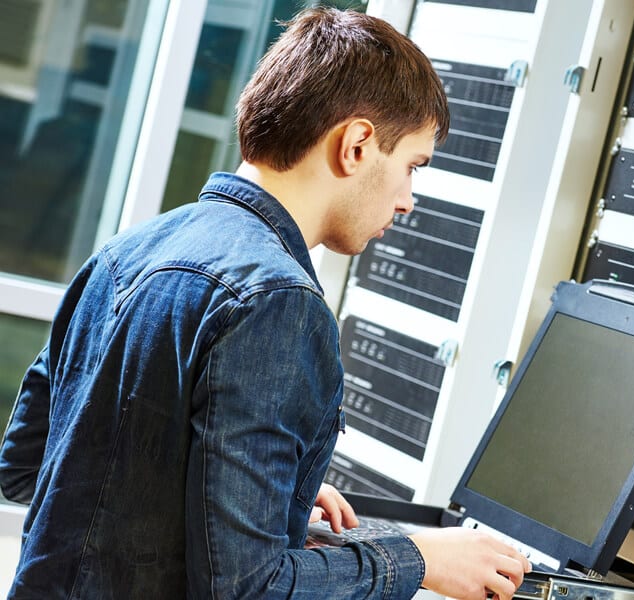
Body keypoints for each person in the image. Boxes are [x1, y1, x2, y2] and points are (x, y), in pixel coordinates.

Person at [0, 8, 530, 599]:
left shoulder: (126, 250)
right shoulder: (278, 303)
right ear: (355, 145)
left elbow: (28, 469)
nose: (407, 200)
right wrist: (416, 559)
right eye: (411, 167)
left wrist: (253, 510)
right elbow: (248, 590)